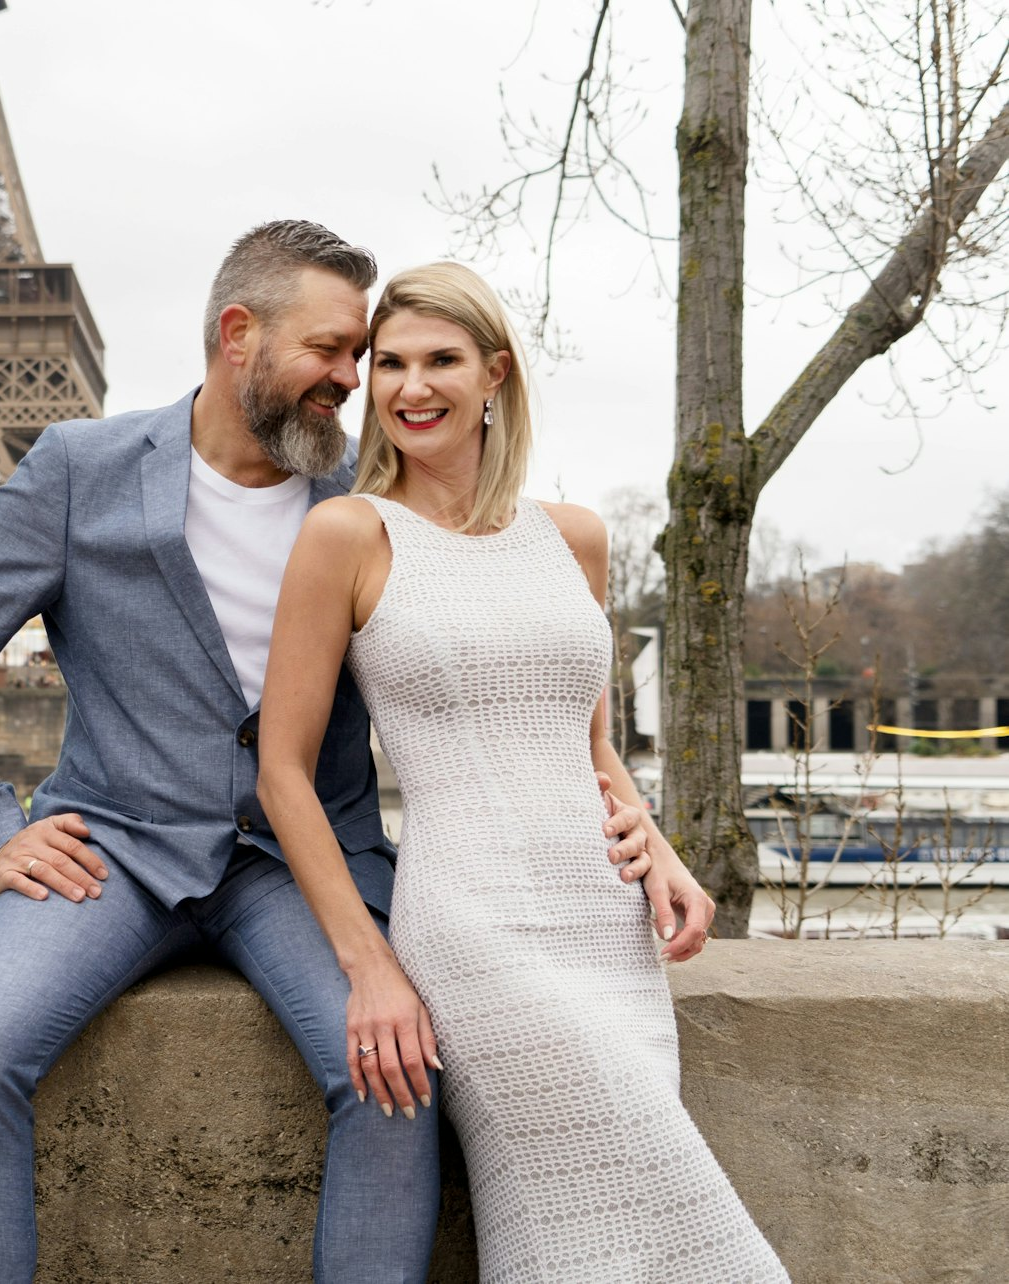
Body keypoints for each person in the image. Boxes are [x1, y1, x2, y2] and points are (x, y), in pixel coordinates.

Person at [0, 220, 662, 1284]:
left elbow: (518, 694)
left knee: (396, 1074)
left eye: (364, 355)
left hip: (307, 862)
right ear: (238, 335)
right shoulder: (80, 469)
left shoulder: (371, 504)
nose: (356, 379)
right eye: (336, 350)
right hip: (114, 851)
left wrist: (630, 826)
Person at [257, 261, 788, 1281]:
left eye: (442, 360)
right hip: (472, 927)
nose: (412, 387)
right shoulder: (348, 535)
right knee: (682, 1209)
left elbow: (586, 741)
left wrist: (658, 843)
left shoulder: (575, 537)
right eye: (391, 363)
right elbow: (282, 770)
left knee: (580, 1237)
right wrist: (370, 966)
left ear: (494, 373)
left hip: (607, 917)